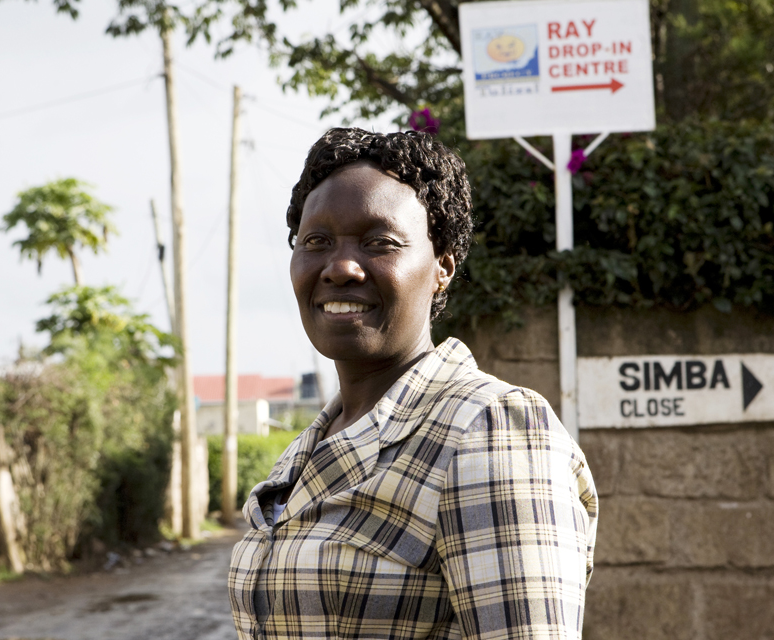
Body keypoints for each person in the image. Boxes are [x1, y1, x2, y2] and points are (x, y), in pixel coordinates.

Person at [228, 128, 598, 640]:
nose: (339, 266)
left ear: (442, 267)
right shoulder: (309, 450)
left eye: (380, 242)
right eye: (317, 242)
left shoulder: (488, 431)